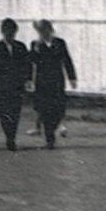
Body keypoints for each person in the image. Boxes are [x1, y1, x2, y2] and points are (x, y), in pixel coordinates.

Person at [28, 19, 76, 150]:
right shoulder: (35, 44)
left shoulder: (59, 43)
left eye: (45, 30)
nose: (43, 33)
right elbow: (30, 62)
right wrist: (29, 79)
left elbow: (67, 60)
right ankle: (50, 139)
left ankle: (56, 128)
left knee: (58, 108)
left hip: (57, 80)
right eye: (40, 31)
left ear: (50, 29)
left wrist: (72, 77)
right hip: (42, 81)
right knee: (45, 109)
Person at [0, 18, 31, 151]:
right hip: (2, 86)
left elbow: (27, 65)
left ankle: (12, 136)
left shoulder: (21, 47)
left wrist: (27, 79)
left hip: (17, 85)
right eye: (7, 32)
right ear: (2, 32)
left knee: (16, 112)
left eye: (12, 32)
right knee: (5, 112)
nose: (10, 34)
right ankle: (9, 136)